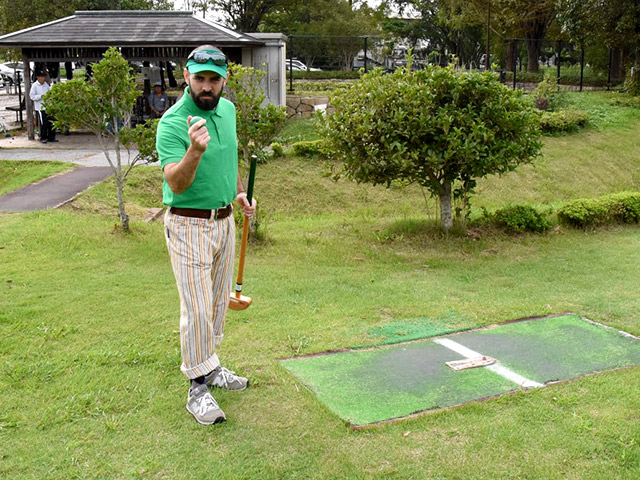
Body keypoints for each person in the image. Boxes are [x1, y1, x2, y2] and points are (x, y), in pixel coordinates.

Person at [156, 45, 256, 425]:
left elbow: (228, 160)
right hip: (188, 223)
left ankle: (211, 368)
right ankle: (197, 387)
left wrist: (239, 192)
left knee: (215, 306)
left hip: (224, 221)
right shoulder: (172, 122)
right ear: (186, 76)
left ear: (224, 81)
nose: (207, 87)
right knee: (196, 308)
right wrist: (194, 151)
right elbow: (176, 184)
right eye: (200, 78)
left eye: (214, 80)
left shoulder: (227, 111)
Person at [29, 71, 57, 143]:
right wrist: (40, 97)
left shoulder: (46, 85)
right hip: (40, 107)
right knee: (43, 123)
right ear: (38, 77)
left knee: (51, 122)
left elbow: (49, 92)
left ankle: (51, 137)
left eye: (43, 77)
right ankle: (43, 137)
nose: (42, 78)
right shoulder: (34, 85)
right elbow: (32, 96)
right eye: (41, 77)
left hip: (48, 106)